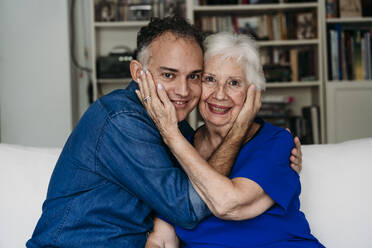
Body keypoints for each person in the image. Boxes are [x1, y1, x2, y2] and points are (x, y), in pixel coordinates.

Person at [27, 17, 302, 247]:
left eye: (194, 76)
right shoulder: (122, 121)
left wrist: (278, 162)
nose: (183, 91)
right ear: (137, 72)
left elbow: (196, 197)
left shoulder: (180, 129)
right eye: (168, 75)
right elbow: (187, 208)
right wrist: (238, 128)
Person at [138, 32, 324, 247]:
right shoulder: (181, 148)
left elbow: (228, 205)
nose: (219, 94)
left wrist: (170, 134)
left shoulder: (277, 143)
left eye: (234, 83)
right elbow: (161, 238)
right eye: (209, 79)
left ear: (253, 92)